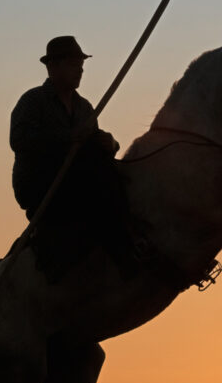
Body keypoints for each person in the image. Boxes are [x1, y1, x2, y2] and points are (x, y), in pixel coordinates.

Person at [10, 36, 139, 282]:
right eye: (73, 65)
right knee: (94, 165)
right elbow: (20, 140)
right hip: (42, 185)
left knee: (115, 169)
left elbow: (95, 146)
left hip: (77, 182)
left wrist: (110, 143)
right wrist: (68, 137)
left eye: (81, 65)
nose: (80, 70)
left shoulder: (85, 108)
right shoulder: (33, 101)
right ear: (52, 67)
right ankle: (122, 252)